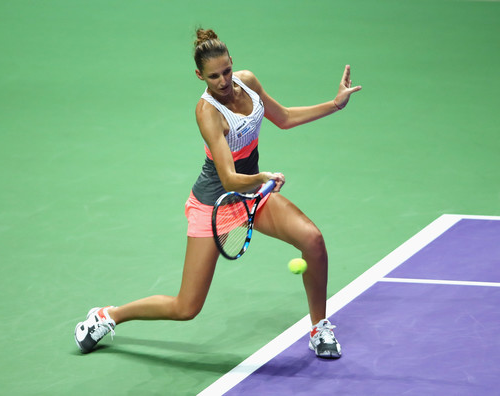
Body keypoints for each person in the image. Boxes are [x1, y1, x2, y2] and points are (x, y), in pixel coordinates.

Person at [75, 28, 361, 359]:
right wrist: (262, 177)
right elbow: (228, 179)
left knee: (312, 239)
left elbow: (282, 118)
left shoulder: (248, 82)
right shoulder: (207, 112)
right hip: (215, 204)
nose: (223, 81)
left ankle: (319, 327)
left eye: (226, 71)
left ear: (232, 63)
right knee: (186, 307)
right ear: (200, 76)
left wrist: (335, 105)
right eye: (214, 76)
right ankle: (107, 316)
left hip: (253, 192)